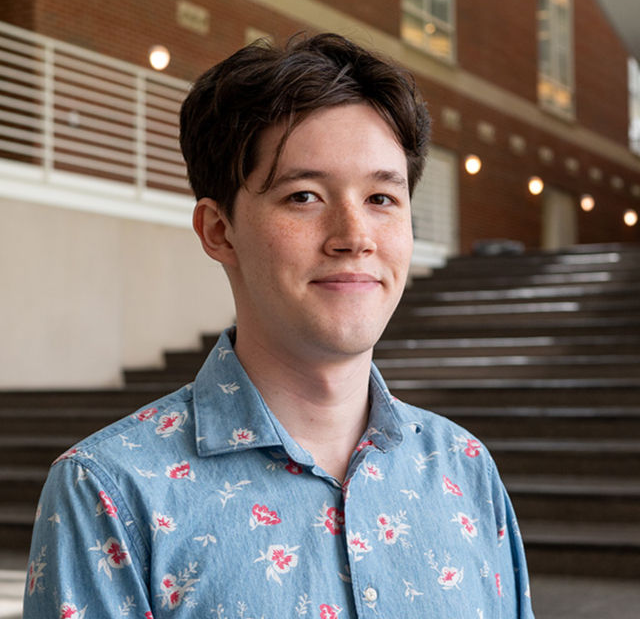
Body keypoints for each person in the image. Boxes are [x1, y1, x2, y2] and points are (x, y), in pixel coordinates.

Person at [23, 33, 535, 618]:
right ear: (219, 230)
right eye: (304, 196)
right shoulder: (110, 492)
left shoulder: (464, 468)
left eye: (382, 198)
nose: (354, 236)